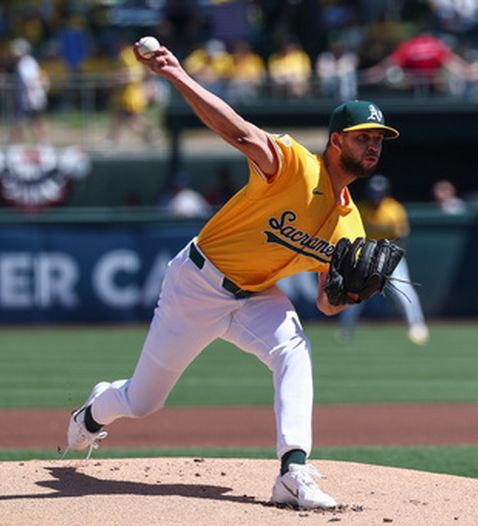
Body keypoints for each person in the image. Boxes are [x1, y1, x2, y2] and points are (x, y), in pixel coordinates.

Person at [64, 39, 401, 510]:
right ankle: (94, 414)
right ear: (336, 140)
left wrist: (354, 293)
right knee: (142, 402)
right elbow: (240, 132)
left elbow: (327, 302)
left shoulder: (351, 224)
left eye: (379, 139)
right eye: (364, 136)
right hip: (197, 284)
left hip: (256, 295)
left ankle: (292, 469)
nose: (373, 145)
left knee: (294, 349)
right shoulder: (293, 167)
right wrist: (176, 75)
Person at [337, 175, 429, 345]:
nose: (376, 198)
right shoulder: (361, 210)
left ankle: (417, 325)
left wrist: (391, 257)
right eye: (373, 194)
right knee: (355, 293)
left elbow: (402, 236)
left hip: (389, 256)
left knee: (405, 291)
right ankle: (345, 329)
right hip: (366, 256)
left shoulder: (394, 210)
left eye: (379, 194)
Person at [9, 38, 49, 144]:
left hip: (31, 97)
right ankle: (36, 142)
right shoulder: (28, 63)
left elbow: (31, 82)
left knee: (30, 121)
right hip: (30, 97)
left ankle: (39, 142)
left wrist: (31, 98)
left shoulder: (27, 63)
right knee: (29, 121)